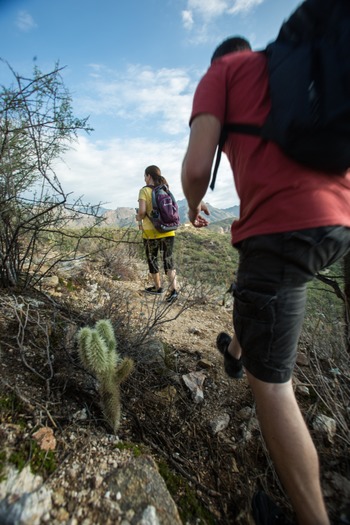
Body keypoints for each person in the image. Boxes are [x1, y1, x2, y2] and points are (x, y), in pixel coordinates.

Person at [181, 35, 350, 525]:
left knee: (274, 387)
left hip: (280, 227)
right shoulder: (290, 66)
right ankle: (236, 354)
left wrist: (194, 208)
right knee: (256, 292)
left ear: (218, 60)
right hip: (339, 219)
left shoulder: (223, 74)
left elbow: (196, 168)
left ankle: (314, 518)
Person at [136, 165, 178, 303]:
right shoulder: (165, 189)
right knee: (168, 260)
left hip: (151, 232)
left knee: (153, 259)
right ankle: (173, 291)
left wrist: (138, 218)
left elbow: (142, 212)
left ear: (148, 176)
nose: (144, 178)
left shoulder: (144, 191)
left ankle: (158, 287)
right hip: (168, 230)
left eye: (144, 176)